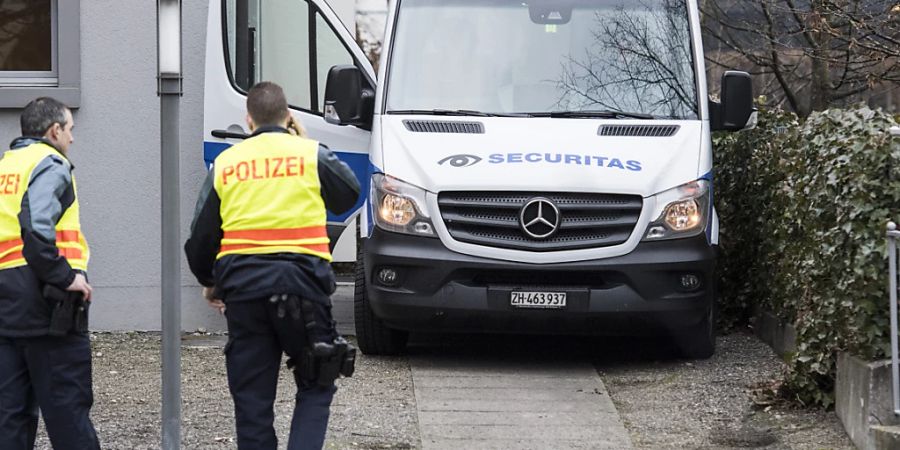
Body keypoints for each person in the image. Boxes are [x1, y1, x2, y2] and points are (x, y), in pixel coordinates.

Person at [185, 81, 361, 450]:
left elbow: (200, 240)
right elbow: (349, 194)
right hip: (304, 290)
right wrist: (304, 140)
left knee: (252, 405)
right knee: (317, 381)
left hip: (245, 295)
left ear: (248, 120)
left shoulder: (226, 164)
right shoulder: (311, 154)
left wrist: (210, 281)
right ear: (288, 116)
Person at [0, 97, 98, 450]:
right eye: (70, 129)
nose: (72, 138)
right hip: (47, 304)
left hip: (7, 305)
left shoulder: (6, 166)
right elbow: (37, 227)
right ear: (54, 130)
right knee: (68, 413)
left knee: (10, 418)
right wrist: (64, 276)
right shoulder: (51, 163)